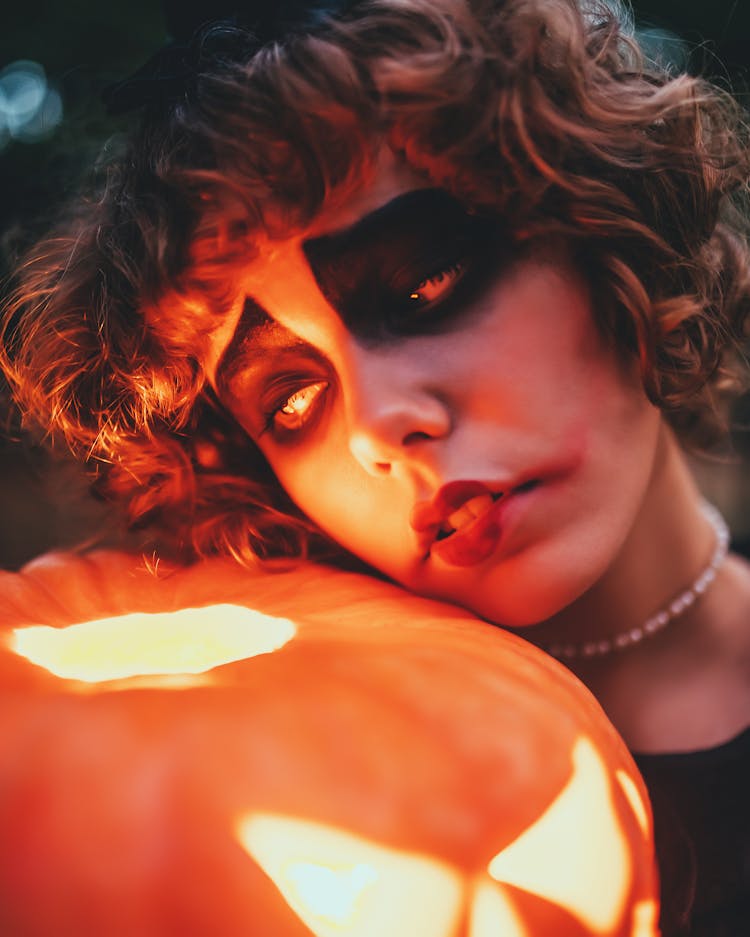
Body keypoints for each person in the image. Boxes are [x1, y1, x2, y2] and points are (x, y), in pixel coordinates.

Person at [2, 0, 749, 932]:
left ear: (606, 228)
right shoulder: (221, 800)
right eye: (291, 403)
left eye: (427, 285)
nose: (380, 427)